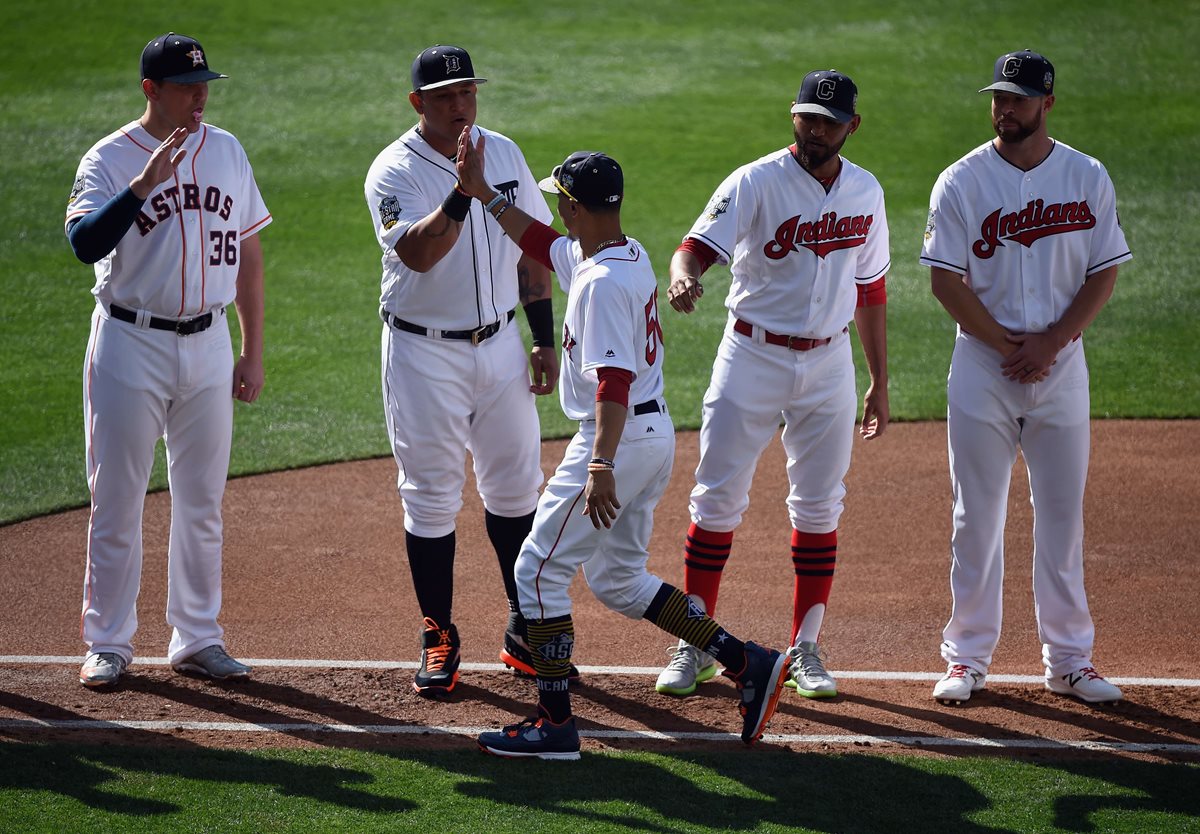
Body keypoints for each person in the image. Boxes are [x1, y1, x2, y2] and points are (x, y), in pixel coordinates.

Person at [455, 137, 790, 759]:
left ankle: (554, 725)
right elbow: (539, 241)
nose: (556, 212)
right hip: (651, 436)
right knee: (616, 578)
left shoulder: (599, 285)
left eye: (562, 203)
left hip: (616, 438)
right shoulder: (619, 253)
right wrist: (479, 193)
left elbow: (613, 381)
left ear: (577, 208)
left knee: (536, 572)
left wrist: (600, 464)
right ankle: (748, 663)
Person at [657, 69, 890, 700]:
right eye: (806, 117)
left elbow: (871, 288)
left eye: (828, 121)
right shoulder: (756, 180)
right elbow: (693, 247)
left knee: (819, 506)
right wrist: (683, 277)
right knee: (715, 500)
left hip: (830, 364)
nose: (814, 130)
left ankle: (805, 648)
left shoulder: (866, 192)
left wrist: (879, 380)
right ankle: (695, 640)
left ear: (852, 126)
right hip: (751, 356)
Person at [921, 50, 1130, 705]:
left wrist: (1052, 341)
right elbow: (942, 279)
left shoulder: (1086, 175)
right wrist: (1008, 344)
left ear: (1047, 103)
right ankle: (966, 659)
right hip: (983, 368)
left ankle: (1069, 659)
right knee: (974, 517)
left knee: (1062, 518)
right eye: (999, 98)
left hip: (1062, 367)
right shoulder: (960, 181)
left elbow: (1105, 269)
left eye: (1018, 98)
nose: (1005, 108)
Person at [65, 33, 270, 687]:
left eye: (205, 83)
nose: (200, 96)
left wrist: (252, 348)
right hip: (131, 343)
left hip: (208, 344)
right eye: (187, 86)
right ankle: (108, 643)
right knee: (118, 497)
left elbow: (249, 253)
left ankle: (197, 637)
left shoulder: (228, 151)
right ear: (151, 90)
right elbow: (83, 242)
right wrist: (140, 186)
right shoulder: (106, 159)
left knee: (202, 499)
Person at [364, 45, 566, 696]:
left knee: (515, 490)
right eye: (446, 96)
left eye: (468, 93)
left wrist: (541, 339)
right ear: (418, 103)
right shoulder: (391, 171)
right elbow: (419, 255)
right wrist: (461, 191)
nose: (460, 106)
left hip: (502, 345)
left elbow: (532, 251)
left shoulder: (502, 152)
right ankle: (438, 632)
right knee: (430, 494)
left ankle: (523, 626)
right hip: (425, 353)